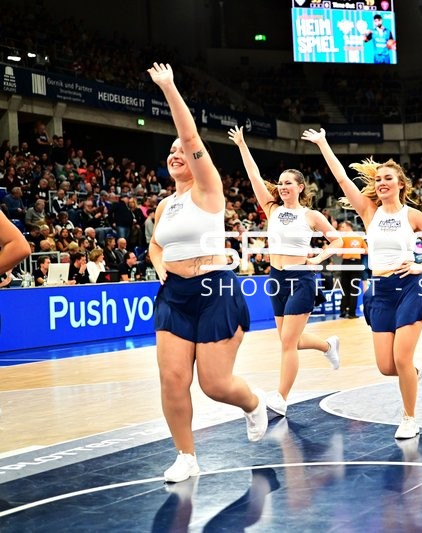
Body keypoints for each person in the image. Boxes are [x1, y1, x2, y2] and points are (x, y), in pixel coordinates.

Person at [147, 63, 267, 484]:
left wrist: (169, 88)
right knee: (172, 379)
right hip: (174, 295)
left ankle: (253, 403)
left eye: (181, 149)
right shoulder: (164, 205)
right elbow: (156, 244)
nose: (176, 153)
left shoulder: (208, 188)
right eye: (170, 151)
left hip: (215, 289)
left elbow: (191, 136)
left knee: (214, 385)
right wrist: (160, 265)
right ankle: (186, 456)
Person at [302, 127, 422, 440]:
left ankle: (409, 418)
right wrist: (323, 143)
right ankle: (414, 371)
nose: (382, 182)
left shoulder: (412, 215)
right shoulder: (369, 211)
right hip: (380, 291)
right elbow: (342, 178)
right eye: (378, 179)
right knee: (387, 366)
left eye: (388, 178)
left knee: (401, 358)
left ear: (400, 184)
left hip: (410, 287)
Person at [229, 125, 342, 419]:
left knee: (288, 343)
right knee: (288, 339)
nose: (282, 187)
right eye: (280, 183)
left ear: (300, 187)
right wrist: (242, 145)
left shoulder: (311, 215)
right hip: (276, 279)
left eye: (288, 183)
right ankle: (328, 345)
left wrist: (320, 257)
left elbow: (338, 240)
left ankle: (281, 397)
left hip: (301, 279)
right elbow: (254, 176)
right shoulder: (272, 209)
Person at [337, 220, 366, 318]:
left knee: (345, 287)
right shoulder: (359, 237)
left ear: (349, 227)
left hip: (346, 263)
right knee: (354, 288)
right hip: (356, 264)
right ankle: (352, 313)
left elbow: (339, 254)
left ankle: (343, 311)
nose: (341, 229)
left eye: (343, 227)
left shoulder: (343, 238)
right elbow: (366, 251)